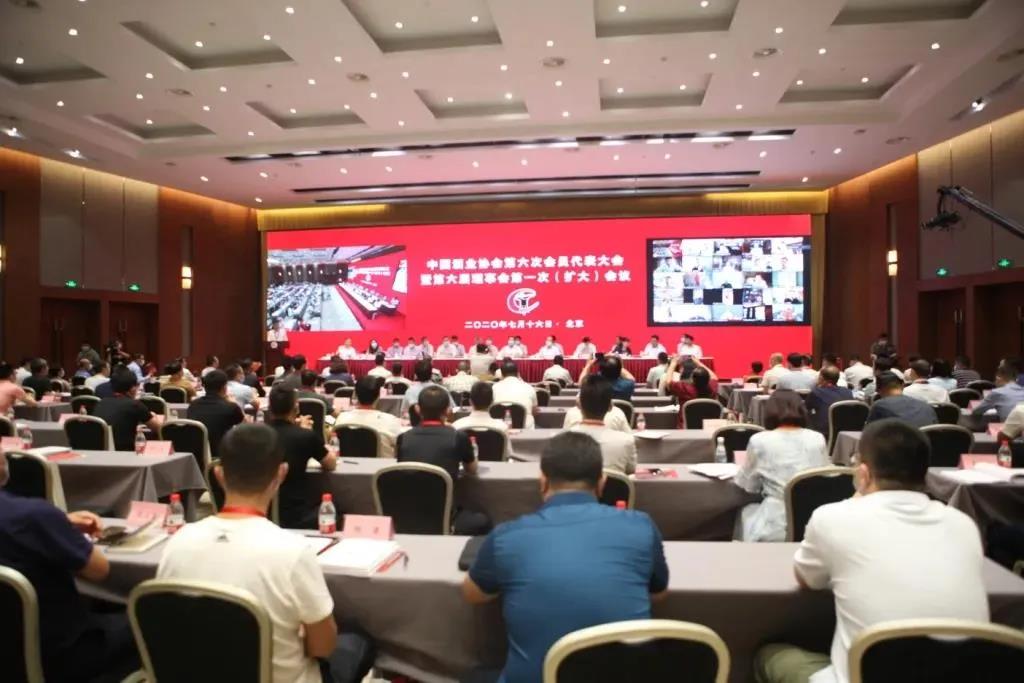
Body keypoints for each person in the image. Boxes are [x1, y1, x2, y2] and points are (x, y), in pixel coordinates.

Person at [754, 419, 988, 683]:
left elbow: (807, 579)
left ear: (863, 473)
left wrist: (856, 498)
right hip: (958, 675)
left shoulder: (833, 518)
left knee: (771, 656)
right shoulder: (964, 524)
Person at [157, 425, 374, 683]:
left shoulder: (176, 543)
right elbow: (323, 647)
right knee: (357, 639)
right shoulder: (293, 551)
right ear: (281, 473)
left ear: (218, 474)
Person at [462, 431, 668, 683]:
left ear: (542, 481)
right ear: (602, 482)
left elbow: (473, 594)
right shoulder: (642, 526)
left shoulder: (508, 536)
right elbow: (658, 593)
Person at [0, 450, 140, 682]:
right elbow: (99, 570)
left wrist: (60, 522)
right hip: (60, 654)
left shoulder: (35, 517)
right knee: (152, 618)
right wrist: (55, 525)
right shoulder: (34, 515)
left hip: (9, 654)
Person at [734, 390, 830, 542]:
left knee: (744, 513)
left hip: (775, 523)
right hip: (813, 521)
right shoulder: (817, 438)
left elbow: (749, 486)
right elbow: (825, 475)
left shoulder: (759, 441)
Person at [396, 385, 490, 534]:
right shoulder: (458, 437)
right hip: (445, 517)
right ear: (447, 410)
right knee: (483, 520)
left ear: (418, 409)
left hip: (406, 517)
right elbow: (472, 470)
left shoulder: (403, 438)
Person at [265, 386, 336, 529]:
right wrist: (305, 432)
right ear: (296, 408)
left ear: (270, 409)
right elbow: (330, 464)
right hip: (295, 514)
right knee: (337, 510)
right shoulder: (305, 436)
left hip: (261, 511)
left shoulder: (255, 434)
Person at [568, 375, 637, 473]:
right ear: (610, 407)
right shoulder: (626, 441)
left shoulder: (563, 441)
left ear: (579, 405)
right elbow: (630, 470)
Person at [94, 366, 164, 451]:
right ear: (132, 389)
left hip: (100, 452)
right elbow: (159, 429)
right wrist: (154, 416)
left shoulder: (101, 402)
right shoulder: (135, 405)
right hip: (125, 453)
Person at [334, 376, 403, 458]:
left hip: (347, 465)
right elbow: (400, 447)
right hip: (382, 466)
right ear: (378, 396)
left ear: (355, 394)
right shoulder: (391, 421)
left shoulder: (342, 418)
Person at [186, 369, 245, 458]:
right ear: (224, 387)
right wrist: (234, 402)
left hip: (196, 455)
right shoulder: (230, 406)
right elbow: (244, 425)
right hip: (221, 454)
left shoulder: (193, 405)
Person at [451, 381, 512, 459]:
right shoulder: (502, 427)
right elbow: (507, 455)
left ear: (470, 401)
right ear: (492, 402)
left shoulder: (456, 427)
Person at [865, 372, 938, 428]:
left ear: (878, 390)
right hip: (929, 443)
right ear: (903, 385)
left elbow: (869, 434)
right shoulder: (925, 406)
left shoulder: (879, 406)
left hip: (901, 443)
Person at [662, 356, 719, 427]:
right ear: (708, 379)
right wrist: (699, 363)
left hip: (686, 428)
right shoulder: (712, 387)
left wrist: (673, 363)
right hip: (708, 428)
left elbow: (668, 383)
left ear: (692, 379)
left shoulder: (685, 388)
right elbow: (714, 377)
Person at [805, 367, 854, 435]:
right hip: (845, 431)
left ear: (821, 378)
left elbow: (805, 408)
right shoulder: (848, 392)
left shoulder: (816, 392)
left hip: (824, 431)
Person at [492, 361, 539, 428]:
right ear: (518, 374)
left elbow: (490, 410)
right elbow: (534, 411)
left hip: (499, 430)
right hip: (526, 430)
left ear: (502, 374)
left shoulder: (494, 387)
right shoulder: (529, 387)